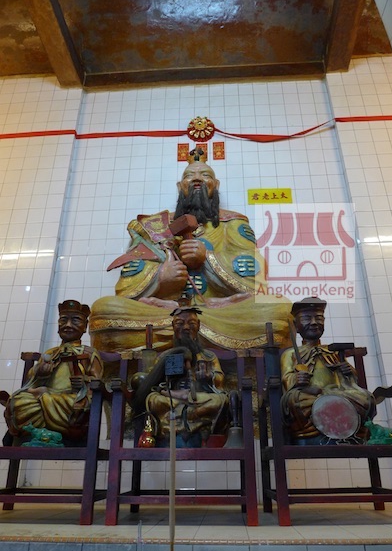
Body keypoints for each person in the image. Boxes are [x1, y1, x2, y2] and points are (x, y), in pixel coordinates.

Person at [89, 148, 291, 352]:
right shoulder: (156, 226)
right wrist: (161, 278)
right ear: (180, 186)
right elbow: (126, 285)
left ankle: (173, 336)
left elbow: (255, 278)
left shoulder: (232, 223)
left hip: (219, 310)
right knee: (105, 309)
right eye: (189, 176)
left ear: (216, 185)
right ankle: (202, 336)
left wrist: (208, 259)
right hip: (166, 312)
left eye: (205, 175)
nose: (197, 179)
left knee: (278, 309)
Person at [3, 300, 103, 444]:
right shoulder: (50, 353)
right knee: (19, 402)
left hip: (68, 401)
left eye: (75, 320)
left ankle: (43, 427)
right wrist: (39, 373)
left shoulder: (89, 353)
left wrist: (84, 381)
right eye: (63, 320)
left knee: (76, 406)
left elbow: (98, 382)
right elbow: (30, 381)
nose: (68, 325)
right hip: (44, 397)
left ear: (85, 326)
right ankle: (41, 432)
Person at [280, 297, 376, 445]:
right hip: (310, 395)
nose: (314, 322)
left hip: (337, 393)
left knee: (366, 398)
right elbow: (286, 379)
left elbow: (351, 381)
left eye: (318, 318)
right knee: (296, 401)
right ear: (296, 325)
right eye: (307, 318)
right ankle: (315, 433)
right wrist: (296, 379)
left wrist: (348, 372)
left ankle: (349, 431)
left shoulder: (333, 351)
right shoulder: (291, 354)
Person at [131, 306, 230, 447]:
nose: (186, 327)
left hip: (200, 397)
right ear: (173, 326)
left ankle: (189, 422)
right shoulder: (165, 357)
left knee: (220, 400)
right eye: (180, 323)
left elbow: (219, 379)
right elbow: (154, 382)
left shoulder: (208, 356)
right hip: (171, 398)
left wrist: (209, 377)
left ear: (198, 325)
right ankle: (182, 423)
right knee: (153, 399)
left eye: (191, 323)